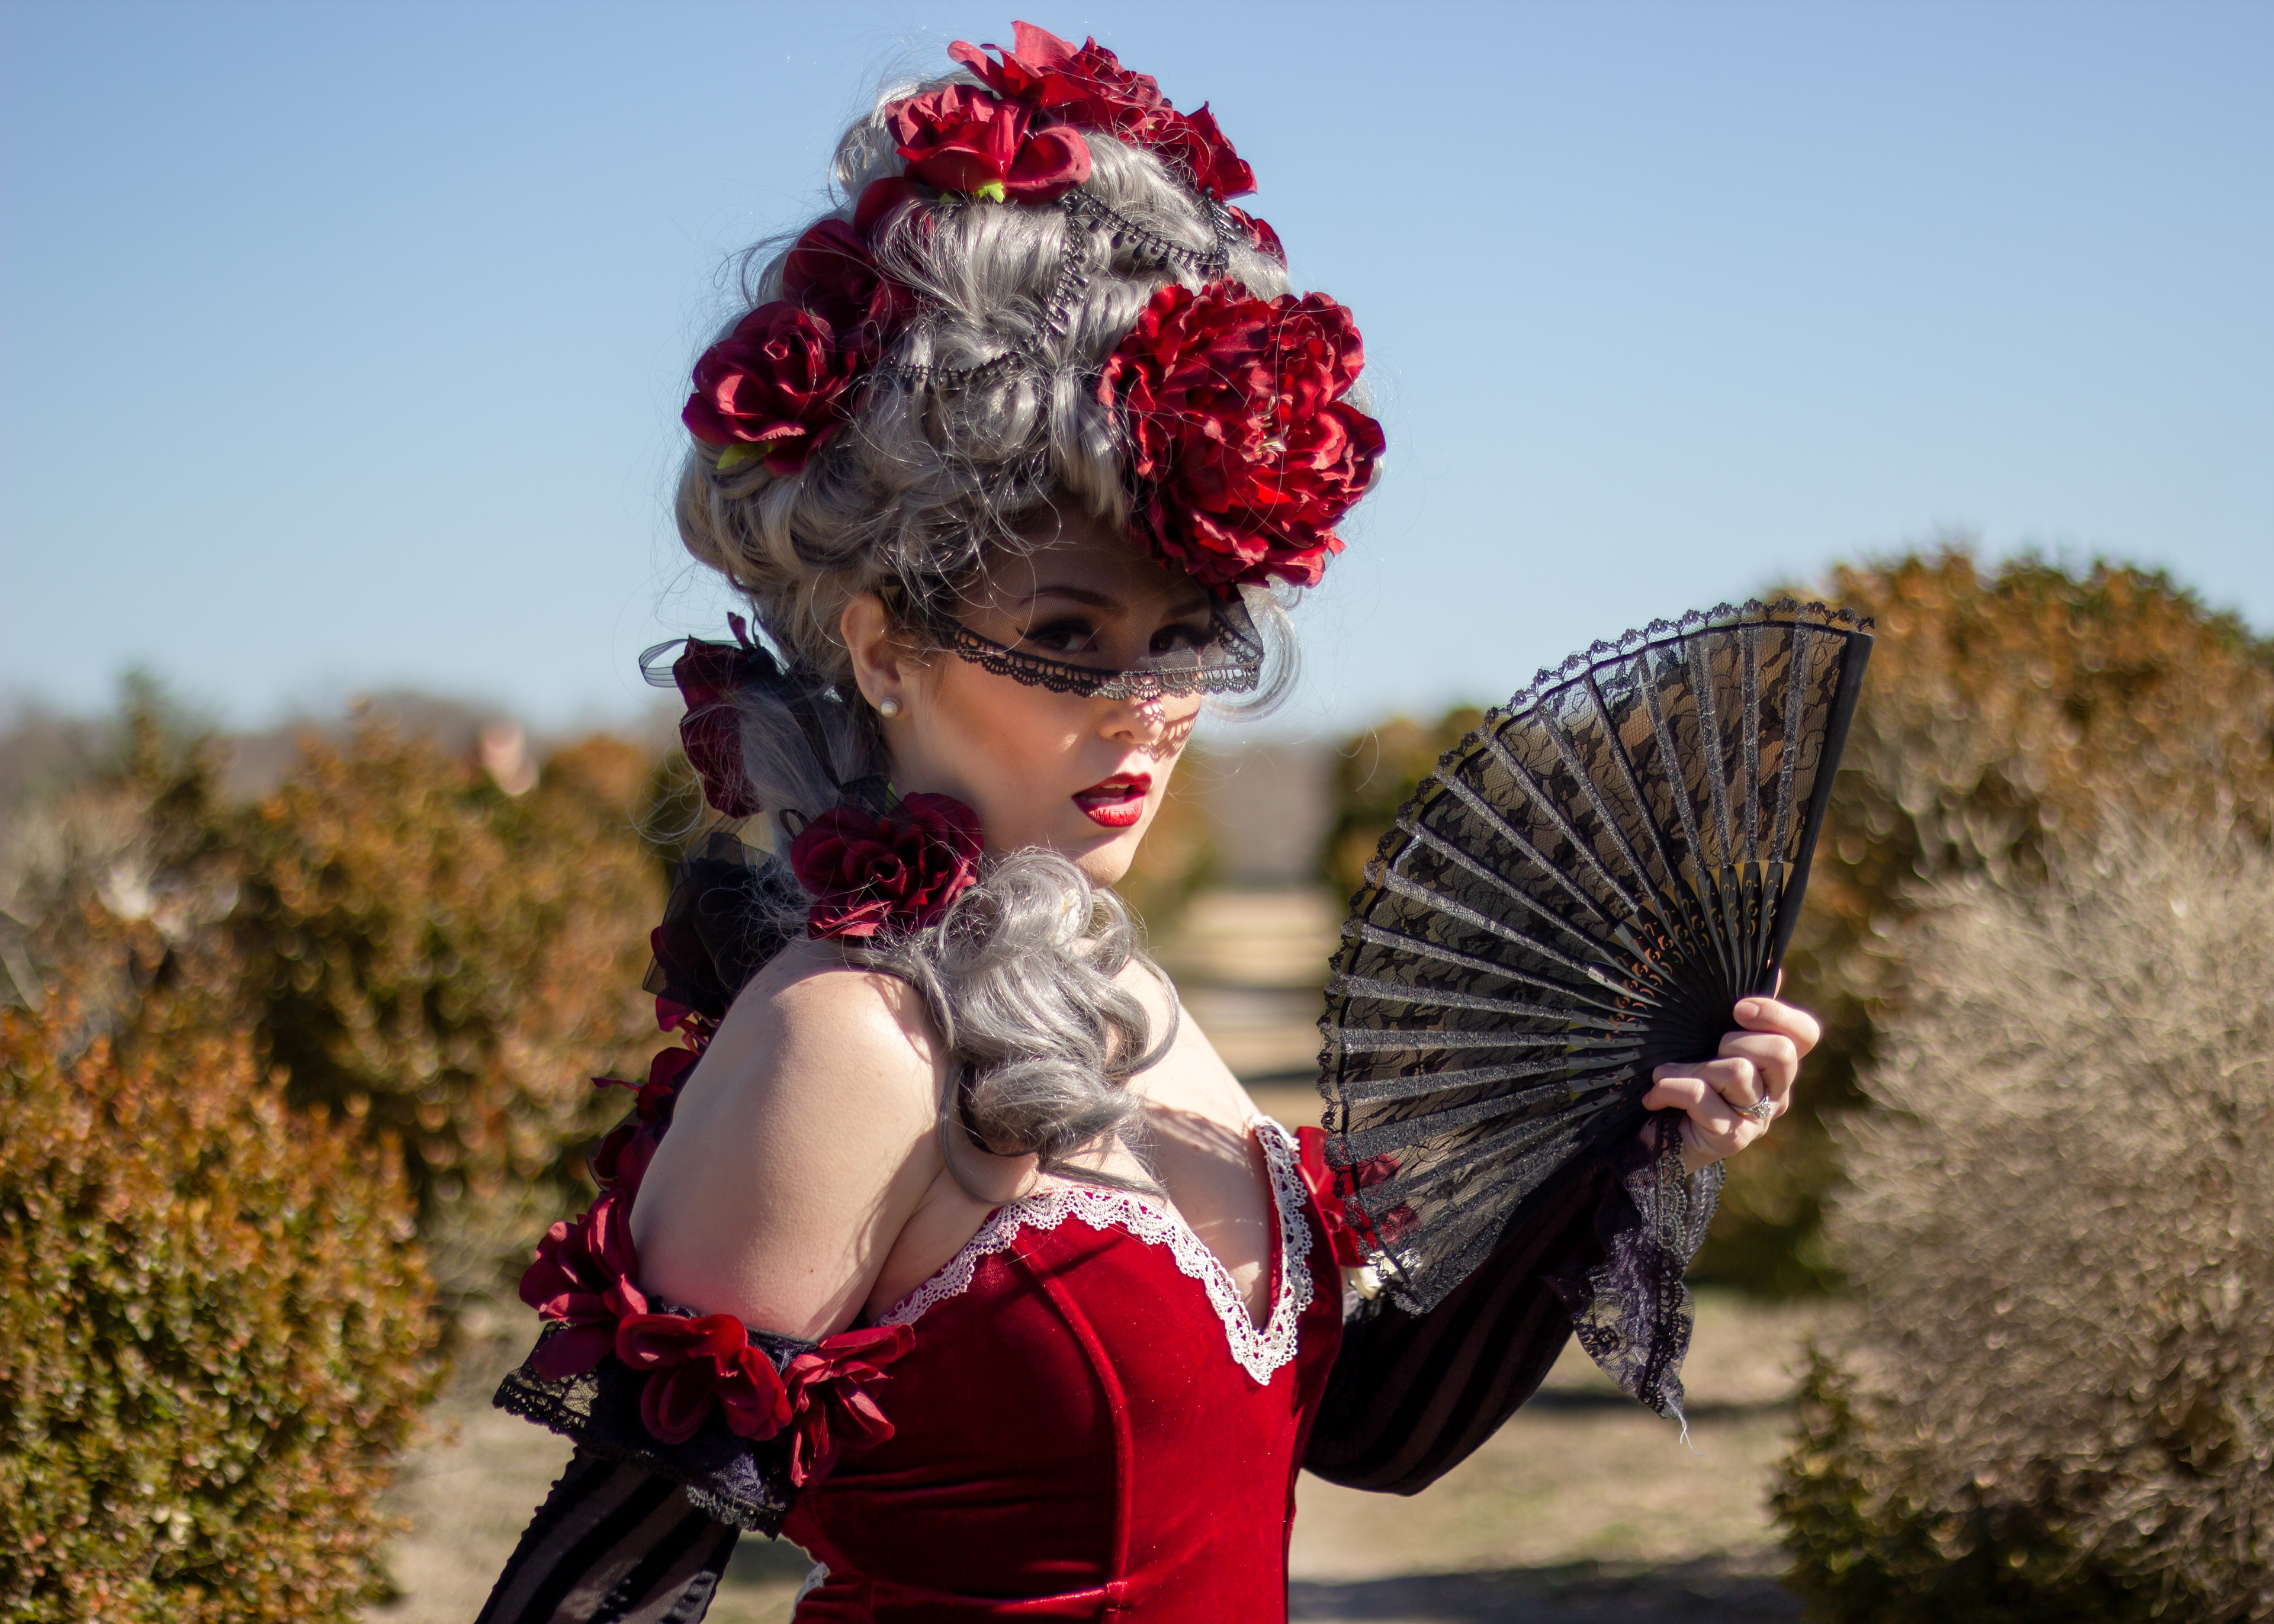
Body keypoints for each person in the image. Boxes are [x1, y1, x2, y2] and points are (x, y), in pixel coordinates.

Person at [477, 24, 1820, 1623]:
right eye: (1067, 638)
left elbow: (1368, 1433)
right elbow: (603, 1586)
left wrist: (1637, 1138)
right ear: (883, 645)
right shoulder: (843, 1037)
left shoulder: (1127, 1000)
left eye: (1183, 641)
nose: (1146, 707)